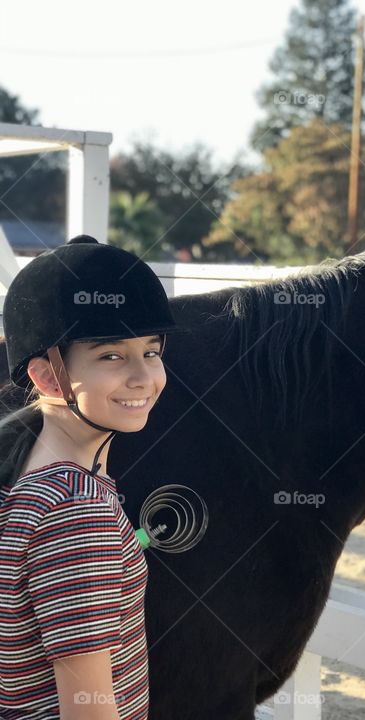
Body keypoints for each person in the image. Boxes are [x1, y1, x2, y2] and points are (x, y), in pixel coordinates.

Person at [0, 235, 177, 719]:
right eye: (111, 356)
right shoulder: (76, 510)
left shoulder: (23, 474)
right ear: (47, 377)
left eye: (152, 351)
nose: (143, 377)